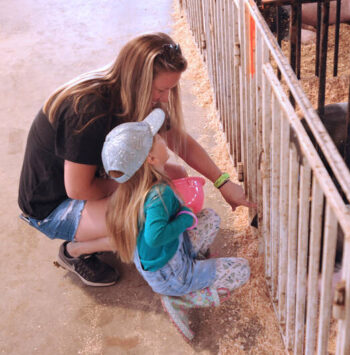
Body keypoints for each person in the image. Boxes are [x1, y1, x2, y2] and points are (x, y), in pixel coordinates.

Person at [18, 32, 255, 287]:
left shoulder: (135, 95)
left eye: (170, 90)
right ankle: (76, 251)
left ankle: (120, 235)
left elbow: (180, 141)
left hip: (90, 182)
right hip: (54, 206)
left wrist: (223, 182)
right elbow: (77, 189)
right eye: (161, 90)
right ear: (139, 80)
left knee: (175, 179)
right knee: (151, 213)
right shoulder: (87, 110)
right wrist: (143, 180)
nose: (165, 99)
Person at [101, 110, 250, 341]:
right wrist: (184, 219)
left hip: (168, 258)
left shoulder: (133, 189)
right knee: (242, 270)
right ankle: (182, 297)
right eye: (157, 138)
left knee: (211, 218)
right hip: (172, 274)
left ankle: (193, 265)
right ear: (150, 159)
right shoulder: (158, 194)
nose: (162, 138)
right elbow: (154, 236)